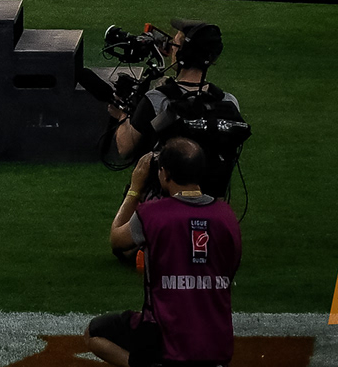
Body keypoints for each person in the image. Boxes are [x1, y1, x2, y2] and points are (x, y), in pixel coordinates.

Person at [87, 136, 238, 367]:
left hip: (165, 340)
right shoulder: (227, 216)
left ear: (164, 174)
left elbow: (116, 239)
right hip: (216, 342)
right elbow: (231, 268)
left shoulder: (152, 215)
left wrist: (135, 188)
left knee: (94, 333)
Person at [106, 24, 250, 192]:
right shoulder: (229, 102)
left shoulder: (157, 99)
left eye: (174, 45)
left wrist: (122, 115)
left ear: (182, 53)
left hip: (162, 204)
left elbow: (125, 148)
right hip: (210, 204)